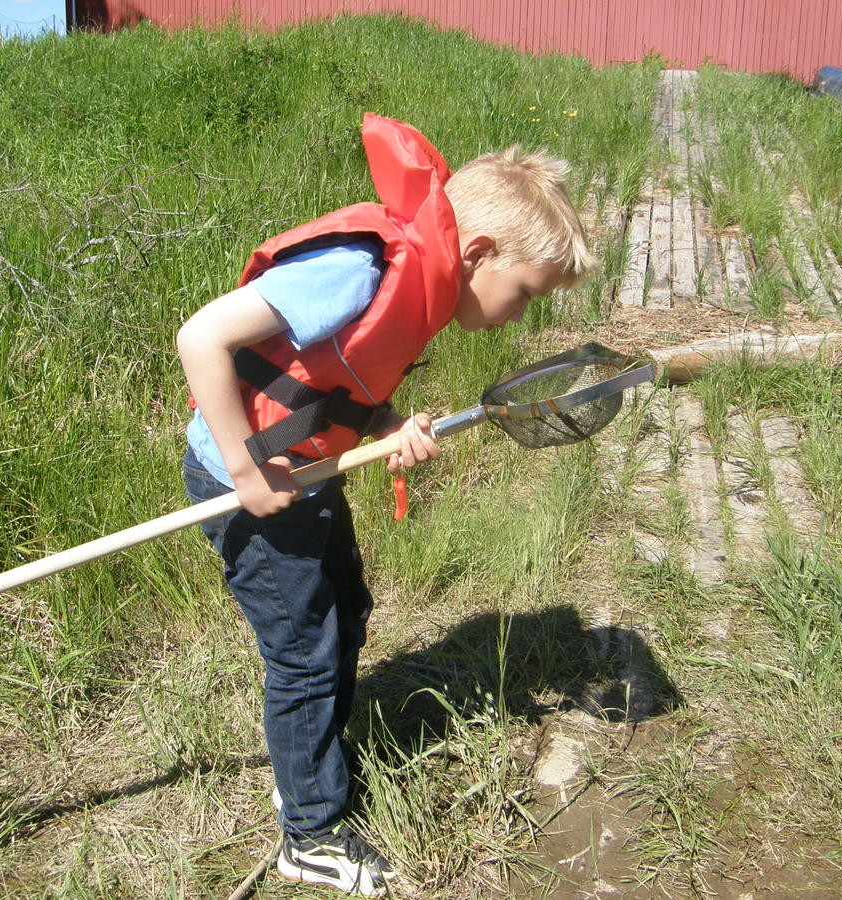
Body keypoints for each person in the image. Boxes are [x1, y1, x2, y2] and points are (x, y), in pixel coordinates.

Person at [177, 113, 596, 896]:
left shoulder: (424, 286)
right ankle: (310, 831)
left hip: (302, 473)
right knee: (303, 648)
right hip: (249, 486)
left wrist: (386, 425)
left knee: (348, 610)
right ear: (477, 253)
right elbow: (200, 337)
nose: (518, 314)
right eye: (524, 294)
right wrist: (241, 467)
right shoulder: (356, 270)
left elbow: (337, 377)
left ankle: (305, 763)